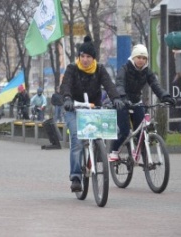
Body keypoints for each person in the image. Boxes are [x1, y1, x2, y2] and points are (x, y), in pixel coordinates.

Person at [60, 35, 125, 192]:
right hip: (74, 108)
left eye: (88, 56)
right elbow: (65, 86)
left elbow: (109, 85)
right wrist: (67, 99)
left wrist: (116, 98)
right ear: (79, 57)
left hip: (93, 108)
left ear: (93, 58)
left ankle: (98, 153)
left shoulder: (100, 70)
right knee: (77, 138)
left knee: (102, 134)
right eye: (82, 56)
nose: (85, 60)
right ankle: (76, 176)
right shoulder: (72, 69)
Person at [109, 44, 176, 161]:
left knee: (141, 131)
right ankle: (114, 151)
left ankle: (145, 158)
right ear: (133, 58)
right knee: (124, 131)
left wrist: (165, 96)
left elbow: (155, 85)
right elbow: (119, 84)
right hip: (122, 102)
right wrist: (123, 98)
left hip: (136, 101)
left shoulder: (147, 71)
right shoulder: (124, 69)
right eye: (139, 57)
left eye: (144, 58)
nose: (141, 60)